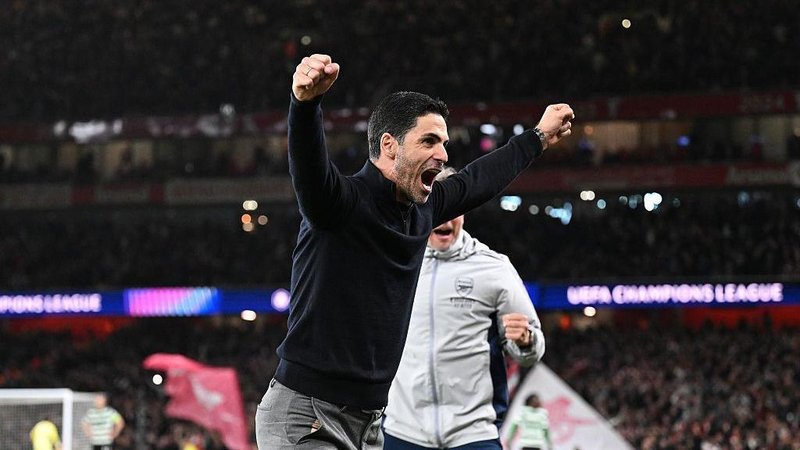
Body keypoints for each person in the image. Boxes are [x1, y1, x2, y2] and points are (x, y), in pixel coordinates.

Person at [255, 53, 573, 450]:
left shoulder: (424, 209)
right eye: (429, 141)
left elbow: (479, 180)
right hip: (307, 415)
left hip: (370, 423)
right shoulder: (339, 203)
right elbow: (308, 169)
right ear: (390, 146)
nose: (443, 155)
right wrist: (304, 104)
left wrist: (537, 137)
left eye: (444, 143)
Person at [383, 168, 545, 450]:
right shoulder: (394, 263)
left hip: (473, 434)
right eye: (438, 208)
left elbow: (533, 347)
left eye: (453, 209)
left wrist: (526, 340)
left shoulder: (494, 268)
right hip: (403, 430)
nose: (445, 218)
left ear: (464, 212)